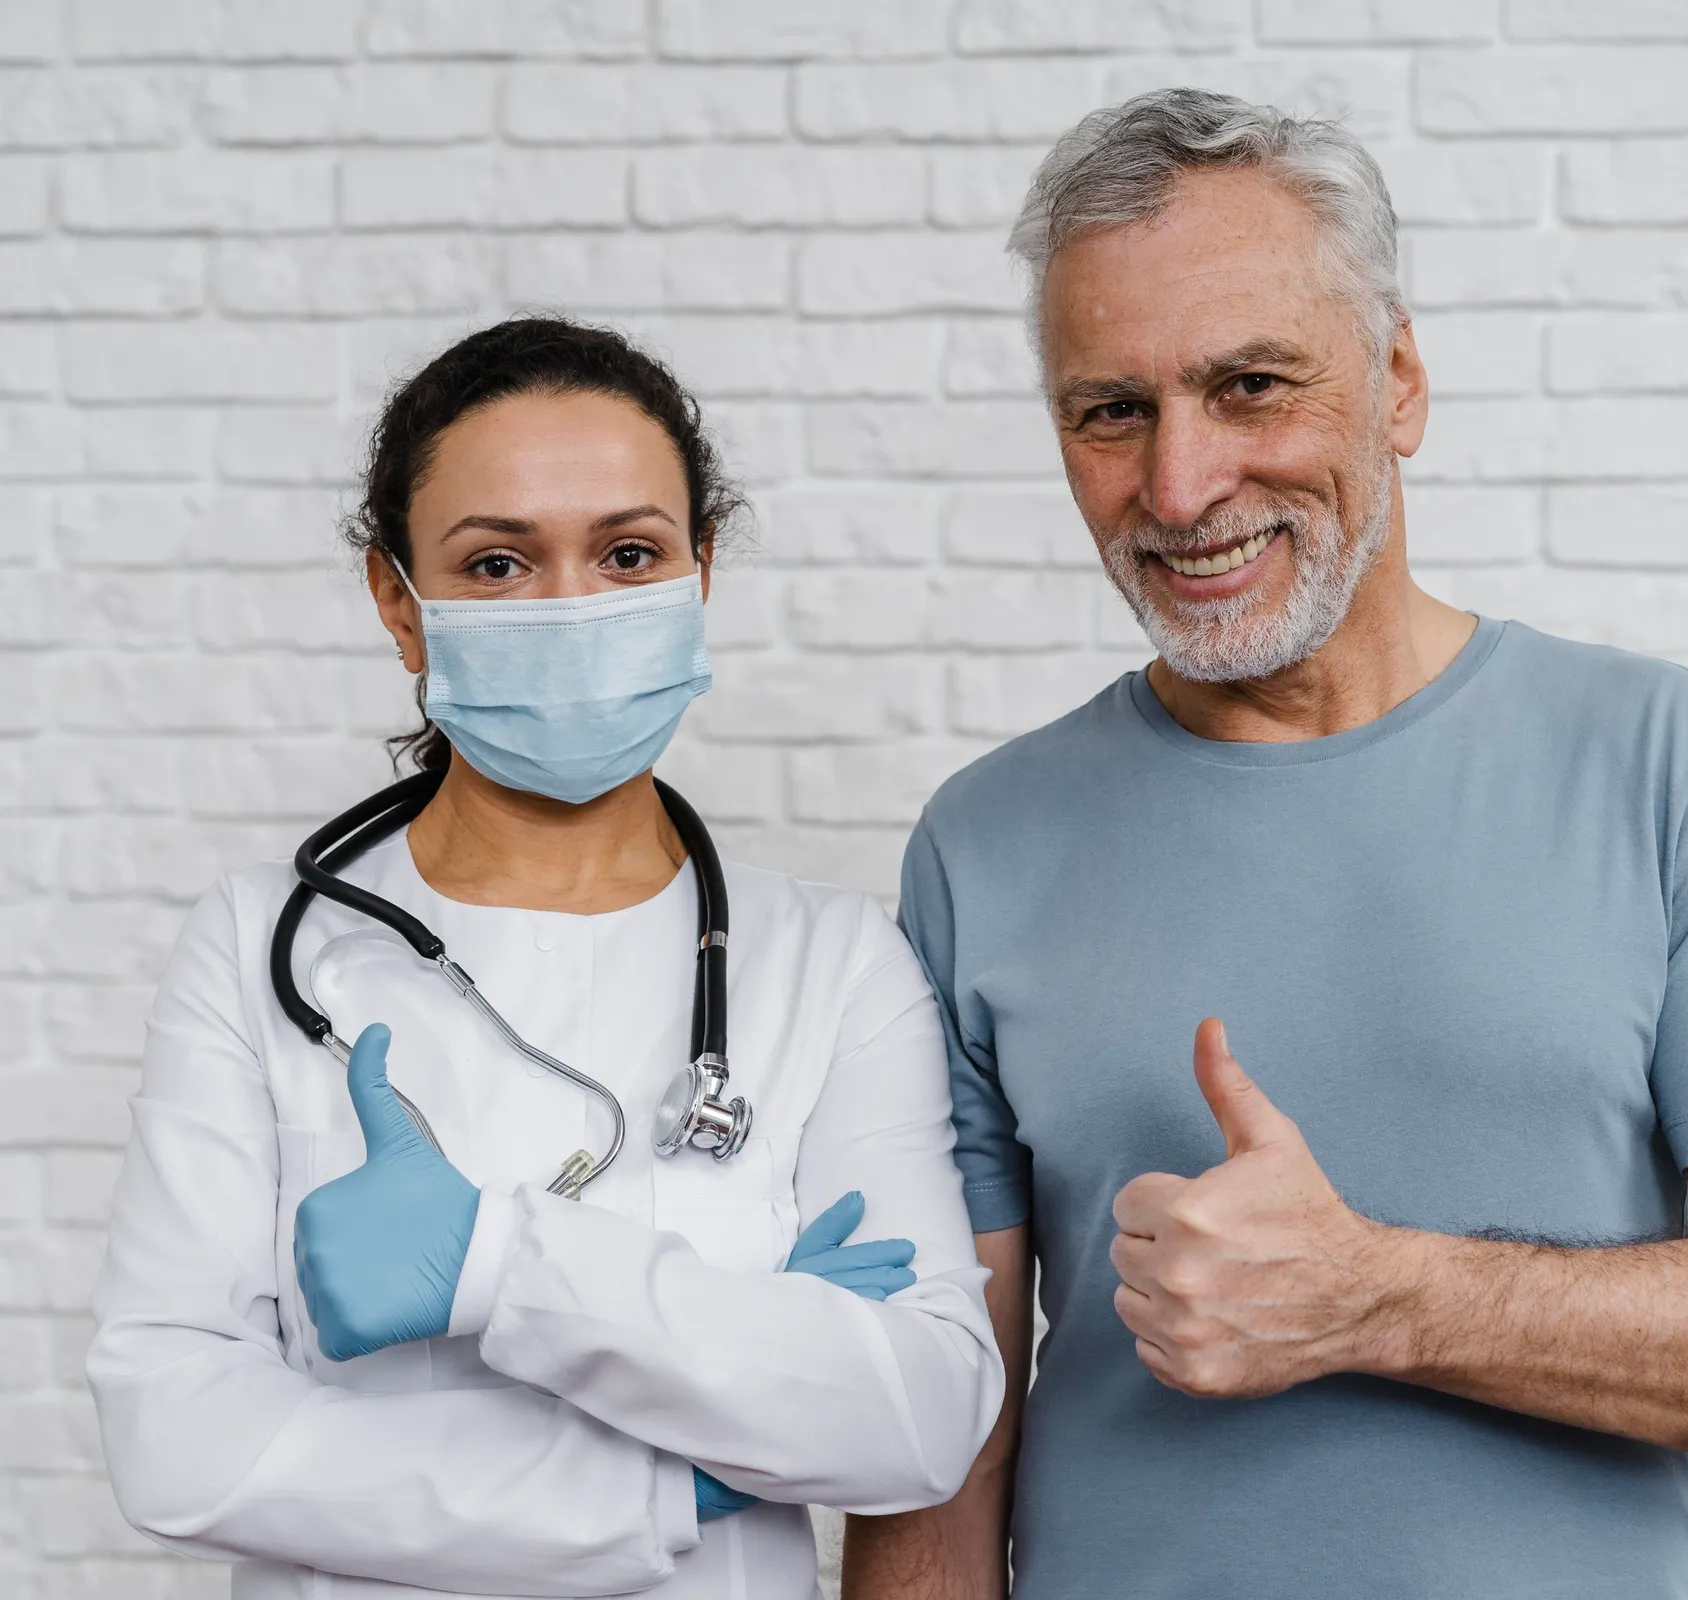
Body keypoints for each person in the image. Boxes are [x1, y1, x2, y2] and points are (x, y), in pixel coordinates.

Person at [841, 89, 1688, 1600]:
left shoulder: (1661, 762)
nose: (1180, 487)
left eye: (1251, 386)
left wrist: (1372, 1299)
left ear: (1400, 380)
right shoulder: (982, 842)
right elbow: (943, 1444)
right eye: (1113, 411)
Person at [88, 317, 1003, 1600]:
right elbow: (174, 1437)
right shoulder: (257, 949)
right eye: (500, 562)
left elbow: (916, 1418)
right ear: (398, 605)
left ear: (700, 573)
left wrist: (493, 1266)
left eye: (628, 552)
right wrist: (681, 1467)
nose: (573, 607)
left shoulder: (835, 964)